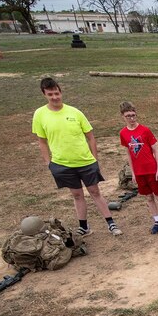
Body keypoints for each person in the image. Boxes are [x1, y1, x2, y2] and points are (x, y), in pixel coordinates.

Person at [31, 77, 118, 237]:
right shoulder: (40, 114)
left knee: (95, 192)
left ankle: (111, 223)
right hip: (62, 164)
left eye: (56, 93)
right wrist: (48, 163)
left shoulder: (75, 112)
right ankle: (84, 226)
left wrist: (95, 159)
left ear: (61, 92)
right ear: (44, 94)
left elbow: (90, 136)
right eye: (50, 94)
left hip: (85, 161)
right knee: (77, 194)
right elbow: (41, 141)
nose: (54, 97)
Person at [119, 101, 158, 235]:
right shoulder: (123, 133)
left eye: (133, 115)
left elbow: (156, 150)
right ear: (123, 117)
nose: (131, 118)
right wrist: (133, 173)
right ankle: (156, 221)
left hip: (152, 170)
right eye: (128, 116)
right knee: (148, 198)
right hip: (139, 172)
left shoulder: (145, 130)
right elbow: (129, 154)